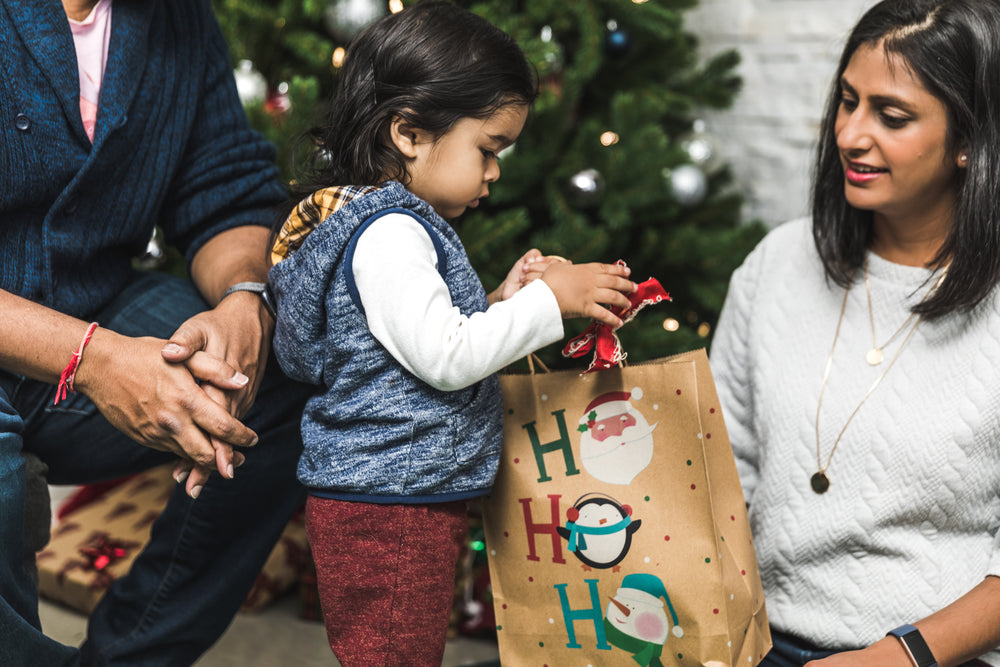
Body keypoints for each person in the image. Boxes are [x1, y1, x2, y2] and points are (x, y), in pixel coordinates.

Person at [266, 2, 637, 665]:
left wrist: (504, 299)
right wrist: (551, 300)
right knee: (393, 653)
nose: (494, 173)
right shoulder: (391, 233)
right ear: (408, 133)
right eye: (487, 149)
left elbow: (418, 340)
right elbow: (445, 357)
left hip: (394, 493)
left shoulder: (385, 225)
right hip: (390, 503)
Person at [0, 0, 309, 665]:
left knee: (290, 364)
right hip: (54, 337)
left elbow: (226, 188)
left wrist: (243, 302)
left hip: (95, 308)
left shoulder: (179, 21)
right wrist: (94, 359)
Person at [710, 0, 1000, 665]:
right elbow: (724, 472)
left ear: (968, 141)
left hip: (931, 656)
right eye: (847, 102)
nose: (850, 134)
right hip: (758, 640)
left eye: (891, 116)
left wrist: (898, 656)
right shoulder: (776, 265)